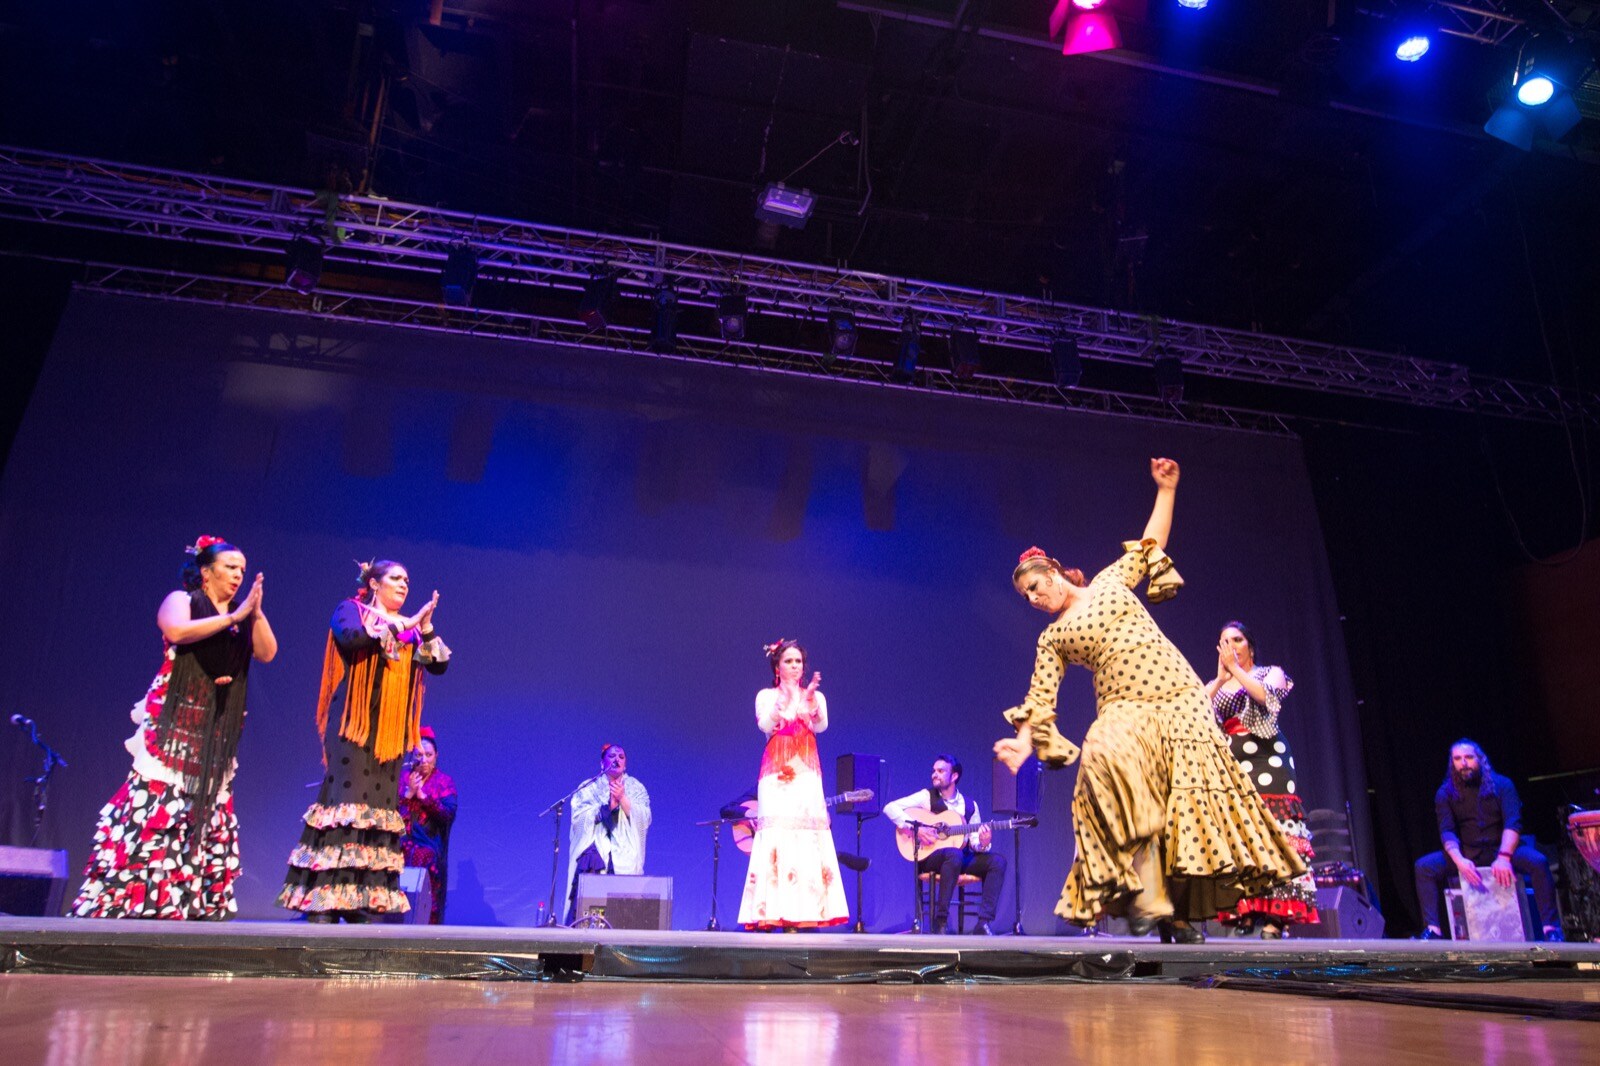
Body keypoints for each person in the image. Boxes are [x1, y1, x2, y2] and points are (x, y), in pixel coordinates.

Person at [994, 459, 1306, 944]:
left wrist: (1167, 490)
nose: (1033, 598)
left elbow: (1151, 544)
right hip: (1125, 707)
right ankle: (1147, 895)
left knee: (1181, 814)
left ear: (1053, 572)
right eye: (1025, 596)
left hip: (1181, 697)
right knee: (1101, 756)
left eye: (1035, 586)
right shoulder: (1053, 638)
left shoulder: (1109, 582)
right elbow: (1040, 697)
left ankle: (1175, 919)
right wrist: (1021, 743)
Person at [72, 536, 278, 919]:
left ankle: (187, 906)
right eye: (231, 567)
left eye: (242, 571)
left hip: (213, 733)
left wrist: (256, 612)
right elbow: (177, 633)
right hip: (174, 724)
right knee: (158, 809)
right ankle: (133, 904)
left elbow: (267, 652)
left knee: (202, 818)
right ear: (205, 571)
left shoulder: (242, 612)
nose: (238, 575)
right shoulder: (181, 601)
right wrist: (234, 617)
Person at [278, 559, 450, 923]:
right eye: (396, 578)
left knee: (378, 815)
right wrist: (403, 623)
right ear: (374, 583)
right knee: (346, 808)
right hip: (352, 726)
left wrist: (427, 626)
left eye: (407, 579)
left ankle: (360, 899)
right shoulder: (352, 612)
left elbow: (438, 664)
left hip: (387, 737)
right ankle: (326, 898)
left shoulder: (411, 630)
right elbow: (352, 637)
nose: (404, 584)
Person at [1203, 621, 1320, 938]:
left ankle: (1277, 916)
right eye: (1224, 641)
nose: (1231, 646)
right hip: (1235, 761)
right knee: (1243, 834)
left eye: (1237, 639)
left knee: (1276, 832)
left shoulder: (1270, 672)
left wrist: (1237, 672)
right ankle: (1246, 908)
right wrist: (1220, 678)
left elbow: (1267, 700)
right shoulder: (1221, 682)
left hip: (1269, 758)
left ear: (1250, 646)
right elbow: (1196, 710)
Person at [737, 639, 849, 930]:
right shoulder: (766, 695)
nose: (794, 666)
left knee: (807, 833)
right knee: (778, 832)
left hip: (806, 772)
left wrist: (809, 698)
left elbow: (822, 726)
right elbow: (766, 724)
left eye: (798, 661)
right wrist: (786, 699)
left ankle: (806, 910)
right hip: (776, 772)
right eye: (788, 661)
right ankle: (772, 910)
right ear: (777, 665)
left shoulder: (816, 695)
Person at [1413, 739, 1561, 941]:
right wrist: (1459, 861)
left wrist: (1504, 857)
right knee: (1424, 867)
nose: (1463, 763)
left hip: (1502, 849)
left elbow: (1513, 824)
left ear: (1480, 759)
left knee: (1538, 862)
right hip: (1468, 853)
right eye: (1458, 759)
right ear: (1452, 763)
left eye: (1468, 757)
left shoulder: (1503, 785)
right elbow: (1447, 832)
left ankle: (1550, 929)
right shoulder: (1445, 793)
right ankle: (1433, 930)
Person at [883, 755, 1008, 935]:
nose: (935, 774)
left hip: (959, 857)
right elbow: (890, 808)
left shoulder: (970, 805)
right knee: (953, 855)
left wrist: (983, 842)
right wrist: (916, 829)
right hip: (931, 857)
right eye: (934, 770)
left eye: (941, 771)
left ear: (954, 776)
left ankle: (983, 922)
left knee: (998, 861)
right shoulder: (926, 797)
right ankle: (940, 921)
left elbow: (973, 843)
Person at [564, 743, 652, 923]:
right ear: (602, 763)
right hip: (594, 850)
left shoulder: (636, 787)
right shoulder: (589, 787)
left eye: (621, 757)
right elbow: (578, 819)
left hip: (625, 852)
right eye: (612, 756)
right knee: (588, 903)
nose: (617, 759)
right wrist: (605, 808)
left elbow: (644, 817)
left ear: (625, 764)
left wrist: (622, 799)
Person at [398, 725, 457, 924]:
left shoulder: (444, 782)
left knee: (425, 856)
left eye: (428, 755)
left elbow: (447, 815)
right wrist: (408, 794)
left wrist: (422, 795)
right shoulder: (403, 779)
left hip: (429, 844)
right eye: (419, 755)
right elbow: (393, 815)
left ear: (436, 756)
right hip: (402, 843)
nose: (424, 760)